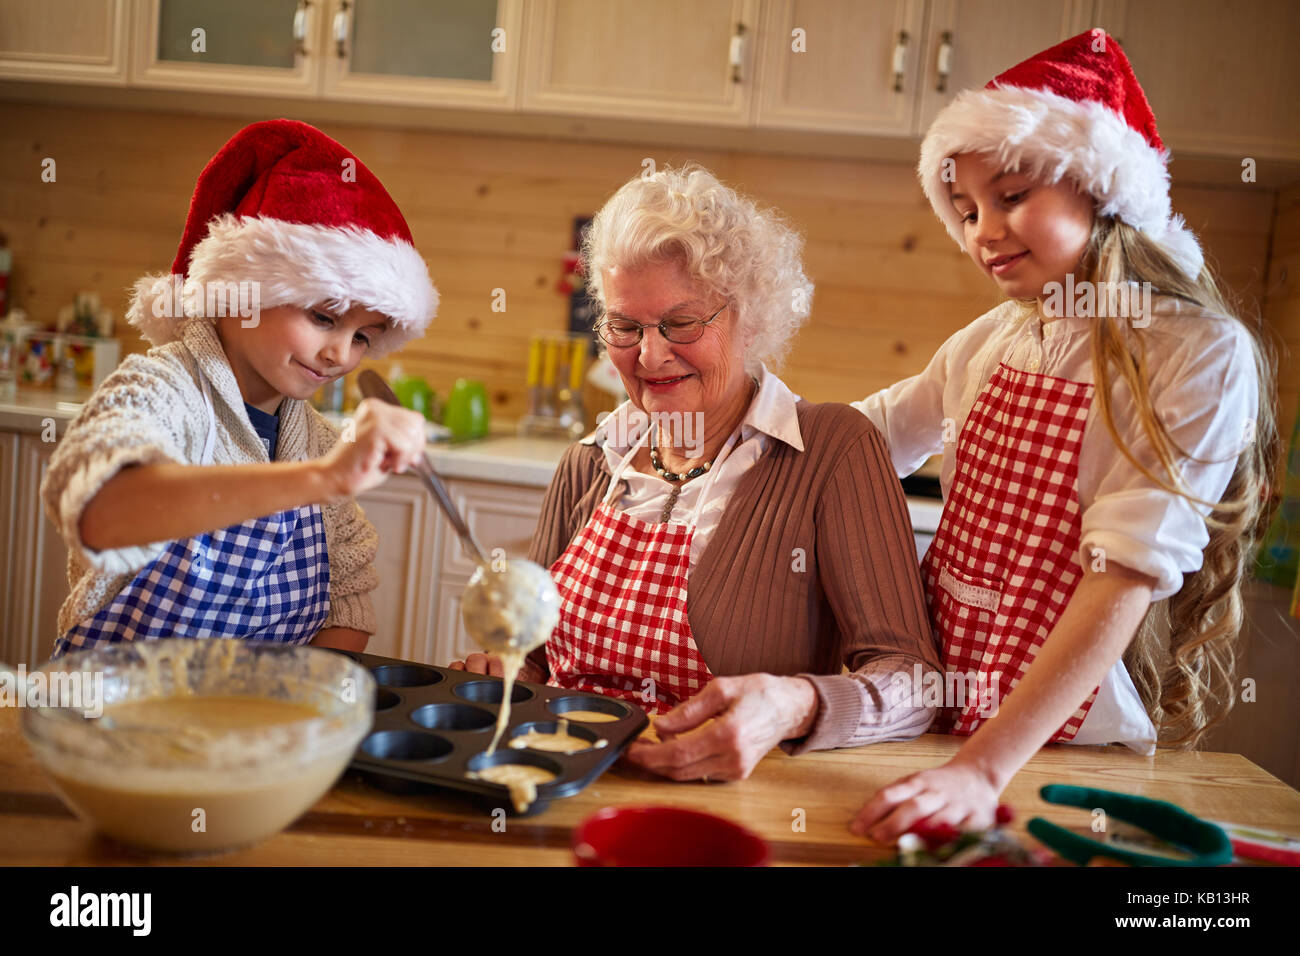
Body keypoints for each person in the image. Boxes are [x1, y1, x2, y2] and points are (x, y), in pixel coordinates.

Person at [848, 31, 1278, 839]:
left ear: (1104, 187)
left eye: (1010, 197)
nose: (981, 230)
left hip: (1054, 738)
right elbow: (860, 444)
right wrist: (739, 408)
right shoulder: (987, 342)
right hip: (937, 709)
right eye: (967, 209)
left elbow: (1122, 576)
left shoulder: (1195, 352)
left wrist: (983, 766)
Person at [453, 165, 941, 782]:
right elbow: (535, 658)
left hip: (721, 801)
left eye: (681, 324)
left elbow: (916, 682)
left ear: (749, 316)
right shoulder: (591, 460)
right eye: (625, 328)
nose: (650, 356)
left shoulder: (830, 450)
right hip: (560, 784)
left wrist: (798, 704)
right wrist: (505, 674)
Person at [42, 119, 438, 657]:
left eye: (364, 336)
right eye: (323, 317)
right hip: (119, 718)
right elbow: (102, 510)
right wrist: (324, 478)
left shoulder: (318, 441)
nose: (341, 355)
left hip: (258, 724)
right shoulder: (162, 389)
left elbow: (347, 602)